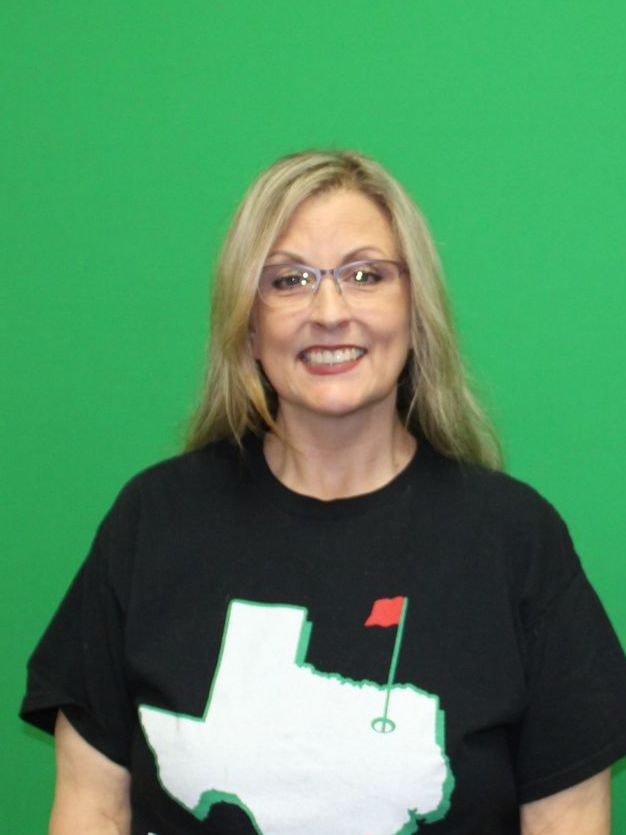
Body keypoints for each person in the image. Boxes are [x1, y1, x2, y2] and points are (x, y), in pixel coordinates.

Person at [21, 150, 626, 835]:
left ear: (415, 307)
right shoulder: (153, 522)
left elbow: (569, 819)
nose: (329, 310)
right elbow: (91, 807)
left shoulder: (515, 539)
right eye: (289, 280)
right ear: (247, 324)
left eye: (365, 274)